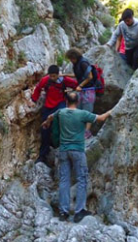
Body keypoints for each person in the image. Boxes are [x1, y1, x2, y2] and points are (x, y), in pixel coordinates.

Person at [42, 91, 113, 222]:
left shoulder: (61, 112)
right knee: (82, 179)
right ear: (78, 102)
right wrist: (114, 109)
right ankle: (79, 211)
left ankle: (63, 212)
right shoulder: (82, 114)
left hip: (63, 150)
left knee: (64, 180)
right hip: (78, 151)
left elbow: (51, 117)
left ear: (66, 101)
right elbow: (102, 118)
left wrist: (46, 123)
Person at [31, 65, 78, 164]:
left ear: (58, 74)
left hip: (60, 104)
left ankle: (62, 148)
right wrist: (34, 99)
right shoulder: (45, 80)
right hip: (48, 105)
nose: (52, 78)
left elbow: (76, 85)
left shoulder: (64, 80)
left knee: (60, 124)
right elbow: (38, 88)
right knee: (45, 129)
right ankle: (43, 154)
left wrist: (78, 88)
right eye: (50, 76)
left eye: (54, 76)